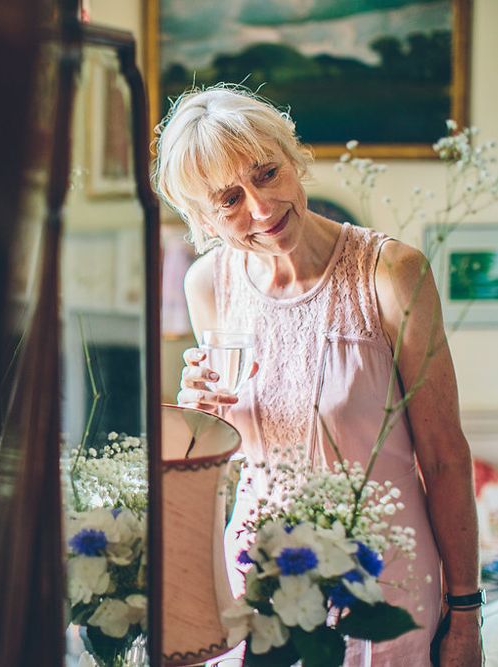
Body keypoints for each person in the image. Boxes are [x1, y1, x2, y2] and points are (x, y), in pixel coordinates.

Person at [153, 85, 483, 666]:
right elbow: (225, 458)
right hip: (254, 582)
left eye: (266, 173)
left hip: (383, 584)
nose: (261, 208)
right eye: (229, 199)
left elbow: (445, 457)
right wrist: (199, 415)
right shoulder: (207, 284)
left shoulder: (392, 273)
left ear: (293, 154)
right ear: (203, 219)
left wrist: (465, 613)